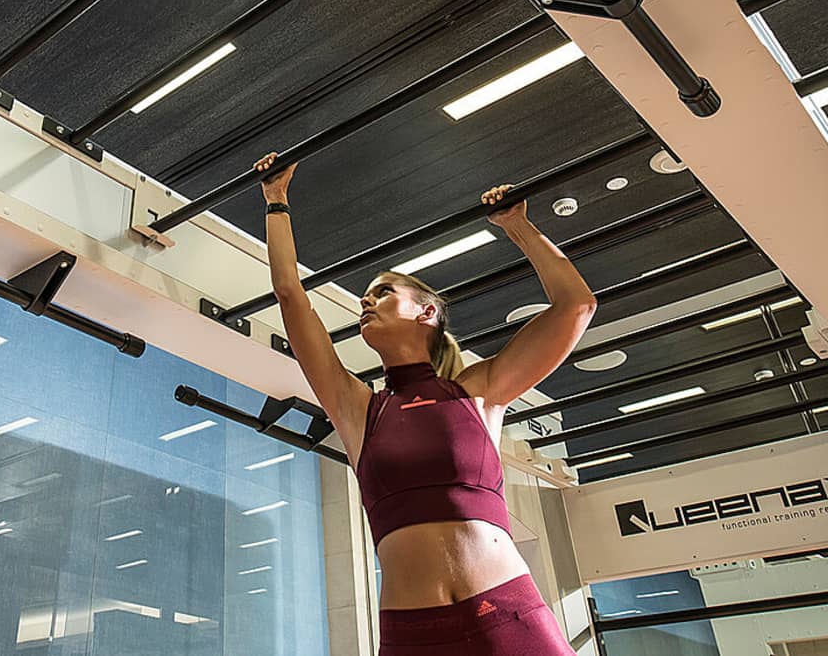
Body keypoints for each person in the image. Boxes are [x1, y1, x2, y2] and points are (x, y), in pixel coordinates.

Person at [253, 152, 596, 656]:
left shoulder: (478, 390)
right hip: (412, 636)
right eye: (365, 297)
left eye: (383, 293)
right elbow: (289, 295)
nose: (365, 302)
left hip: (505, 615)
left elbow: (576, 306)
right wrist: (276, 201)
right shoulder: (359, 410)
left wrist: (517, 226)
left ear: (427, 312)